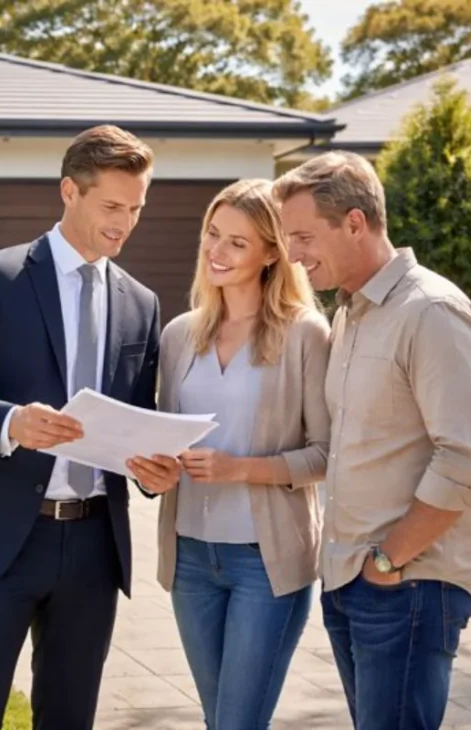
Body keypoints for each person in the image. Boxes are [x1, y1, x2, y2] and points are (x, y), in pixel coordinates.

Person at [0, 124, 180, 730]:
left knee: (69, 720)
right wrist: (9, 422)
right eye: (112, 206)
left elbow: (135, 419)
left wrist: (154, 473)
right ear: (69, 191)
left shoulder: (142, 302)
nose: (125, 223)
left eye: (136, 208)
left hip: (91, 550)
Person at [273, 151, 471, 730]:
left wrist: (387, 560)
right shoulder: (352, 314)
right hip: (356, 581)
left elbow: (470, 459)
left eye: (302, 237)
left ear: (354, 222)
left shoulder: (432, 312)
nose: (293, 254)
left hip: (409, 587)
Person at [128, 179, 331, 729]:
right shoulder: (177, 336)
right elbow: (160, 441)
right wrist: (154, 473)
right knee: (220, 720)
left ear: (273, 252)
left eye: (237, 242)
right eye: (213, 235)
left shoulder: (304, 335)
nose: (216, 251)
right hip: (191, 558)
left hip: (265, 564)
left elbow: (326, 455)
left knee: (238, 722)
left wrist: (240, 469)